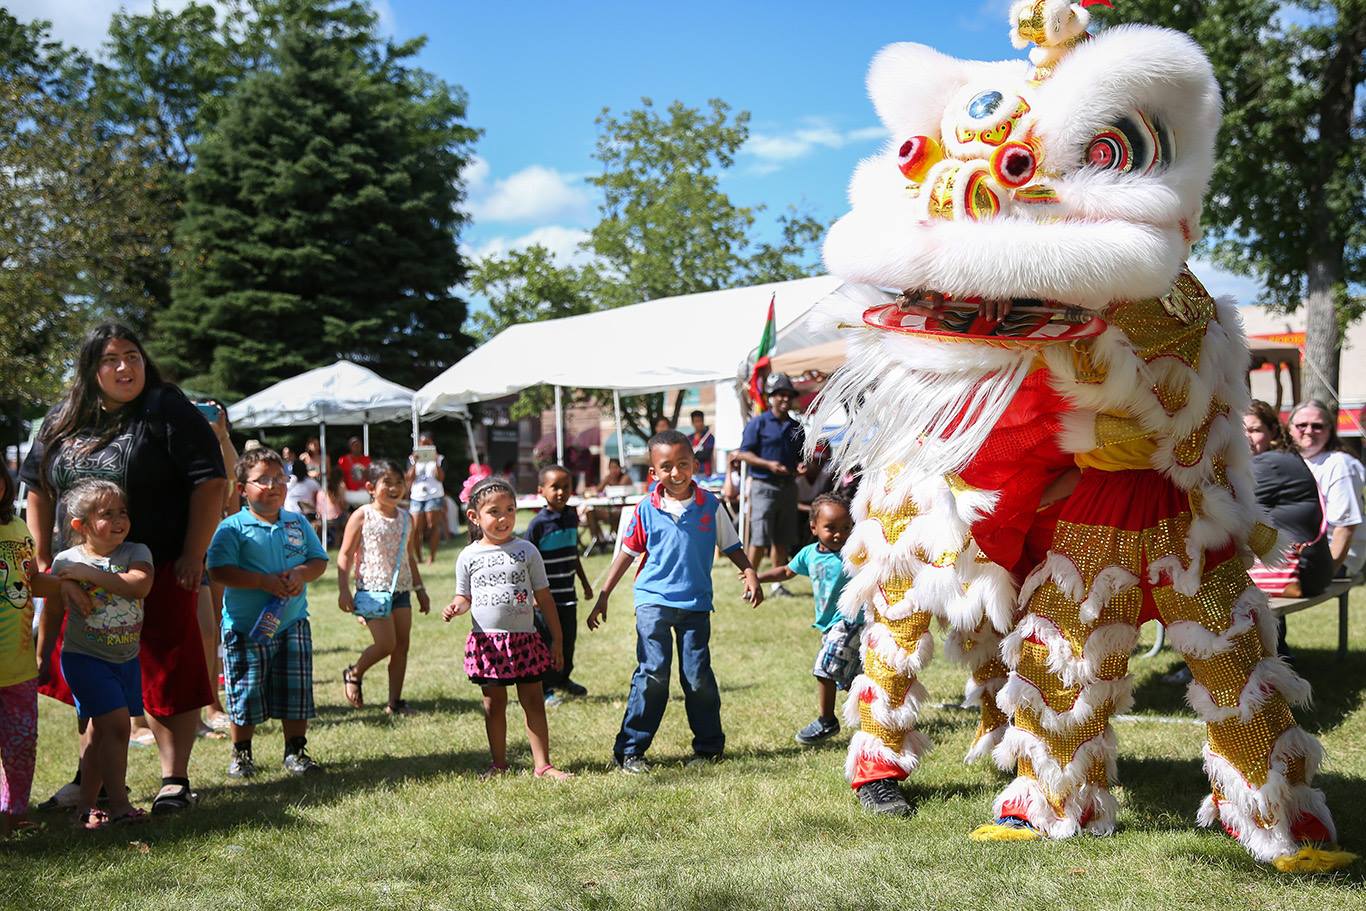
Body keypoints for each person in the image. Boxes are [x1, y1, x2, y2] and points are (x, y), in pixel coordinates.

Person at [21, 322, 226, 814]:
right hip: (81, 571)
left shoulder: (164, 408)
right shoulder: (62, 421)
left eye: (132, 356)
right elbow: (36, 488)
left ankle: (173, 779)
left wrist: (194, 554)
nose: (124, 367)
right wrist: (43, 556)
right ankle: (87, 779)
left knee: (167, 670)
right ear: (91, 369)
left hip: (155, 567)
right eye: (111, 359)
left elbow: (210, 481)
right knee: (90, 672)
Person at [587, 430, 762, 773]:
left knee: (697, 678)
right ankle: (630, 752)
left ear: (695, 464)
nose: (676, 473)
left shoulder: (710, 506)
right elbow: (626, 554)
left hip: (696, 605)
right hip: (652, 602)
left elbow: (731, 546)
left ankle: (709, 747)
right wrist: (604, 594)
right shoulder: (644, 509)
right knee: (653, 674)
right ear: (654, 473)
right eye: (666, 467)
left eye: (683, 464)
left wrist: (750, 572)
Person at [207, 447, 328, 778]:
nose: (273, 485)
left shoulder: (297, 522)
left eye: (279, 478)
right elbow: (218, 570)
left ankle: (296, 751)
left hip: (292, 623)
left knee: (296, 689)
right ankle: (242, 754)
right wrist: (261, 581)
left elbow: (318, 561)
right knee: (245, 692)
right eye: (262, 479)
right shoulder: (233, 527)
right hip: (246, 627)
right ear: (242, 487)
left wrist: (302, 573)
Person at [442, 477, 571, 780]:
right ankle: (498, 763)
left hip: (525, 640)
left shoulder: (527, 551)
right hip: (488, 644)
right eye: (494, 512)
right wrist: (455, 607)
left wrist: (557, 639)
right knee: (493, 704)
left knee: (533, 701)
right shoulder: (468, 557)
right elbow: (464, 598)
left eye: (509, 510)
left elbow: (544, 597)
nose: (503, 518)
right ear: (474, 516)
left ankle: (543, 765)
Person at [41, 481, 153, 828]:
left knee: (97, 733)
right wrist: (43, 656)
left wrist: (89, 575)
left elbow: (139, 585)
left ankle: (85, 809)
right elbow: (50, 606)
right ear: (80, 525)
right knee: (119, 728)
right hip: (84, 659)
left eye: (123, 512)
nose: (120, 519)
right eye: (107, 514)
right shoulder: (66, 561)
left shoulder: (136, 552)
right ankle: (119, 805)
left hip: (125, 659)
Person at [756, 493, 862, 744]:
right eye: (831, 528)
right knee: (850, 678)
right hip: (830, 626)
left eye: (846, 527)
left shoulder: (854, 554)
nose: (839, 534)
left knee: (824, 669)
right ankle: (877, 716)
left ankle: (827, 722)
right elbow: (786, 571)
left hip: (850, 622)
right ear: (814, 527)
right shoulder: (808, 554)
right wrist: (757, 577)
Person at [337, 459, 431, 715]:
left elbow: (409, 557)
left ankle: (395, 703)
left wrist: (420, 590)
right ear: (370, 487)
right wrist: (344, 589)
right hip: (371, 591)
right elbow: (345, 554)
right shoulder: (362, 515)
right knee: (386, 644)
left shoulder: (406, 518)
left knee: (401, 647)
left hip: (401, 590)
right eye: (386, 482)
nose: (394, 488)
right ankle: (354, 673)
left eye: (399, 482)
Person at [0, 464, 63, 836]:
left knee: (22, 744)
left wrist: (68, 584)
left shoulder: (18, 527)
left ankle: (13, 810)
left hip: (19, 665)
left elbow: (30, 580)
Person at [1245, 401, 1333, 600]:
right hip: (1309, 568)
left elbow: (1233, 505)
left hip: (1299, 571)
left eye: (1254, 430)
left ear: (1274, 431)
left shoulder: (1269, 463)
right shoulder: (1284, 457)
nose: (1246, 437)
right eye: (1240, 430)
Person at [527, 465, 593, 705]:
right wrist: (532, 593)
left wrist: (584, 583)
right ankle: (545, 687)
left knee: (567, 640)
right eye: (554, 487)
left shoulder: (571, 516)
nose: (561, 492)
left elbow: (573, 553)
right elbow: (527, 561)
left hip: (568, 596)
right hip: (545, 599)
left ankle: (563, 678)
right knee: (546, 643)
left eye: (566, 487)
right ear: (541, 490)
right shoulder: (538, 524)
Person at [735, 372, 807, 588]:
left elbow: (801, 458)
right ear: (770, 397)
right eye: (780, 395)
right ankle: (749, 580)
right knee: (759, 536)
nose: (784, 399)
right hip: (763, 486)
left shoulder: (797, 427)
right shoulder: (758, 423)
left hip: (788, 487)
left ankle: (777, 585)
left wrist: (801, 467)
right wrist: (768, 465)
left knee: (782, 538)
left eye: (788, 395)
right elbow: (743, 453)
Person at [1289, 401, 1365, 578]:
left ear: (1329, 430)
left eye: (1317, 426)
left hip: (1336, 559)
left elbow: (1345, 527)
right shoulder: (1289, 461)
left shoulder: (1340, 465)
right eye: (1302, 425)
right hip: (1299, 554)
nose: (1308, 431)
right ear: (1289, 429)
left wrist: (1326, 574)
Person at [406, 431, 447, 565]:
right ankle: (418, 558)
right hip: (417, 496)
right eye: (422, 444)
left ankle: (432, 556)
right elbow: (408, 478)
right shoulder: (412, 459)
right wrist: (414, 463)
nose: (424, 447)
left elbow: (440, 478)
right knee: (416, 527)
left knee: (432, 526)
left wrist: (434, 461)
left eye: (427, 444)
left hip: (434, 495)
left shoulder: (440, 459)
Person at [689, 410, 715, 476]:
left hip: (705, 472)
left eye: (700, 421)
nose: (698, 424)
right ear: (692, 423)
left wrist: (692, 454)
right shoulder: (689, 438)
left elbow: (706, 455)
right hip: (692, 472)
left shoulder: (709, 438)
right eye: (696, 421)